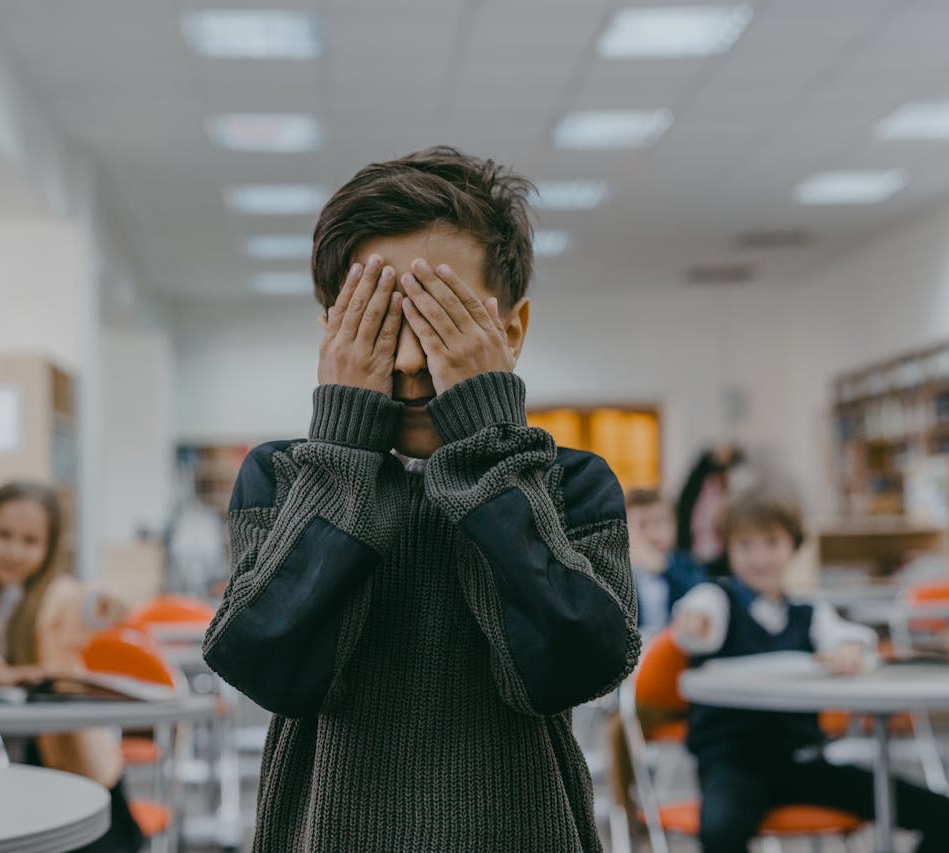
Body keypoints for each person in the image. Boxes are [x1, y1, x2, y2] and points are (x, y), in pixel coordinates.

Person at [202, 147, 641, 851]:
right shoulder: (285, 478)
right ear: (333, 336)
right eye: (380, 324)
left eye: (438, 322)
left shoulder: (571, 484)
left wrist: (490, 443)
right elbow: (269, 666)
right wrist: (344, 451)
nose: (409, 363)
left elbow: (574, 667)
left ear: (512, 331)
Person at [672, 484, 949, 853]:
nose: (759, 557)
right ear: (728, 549)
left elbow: (844, 637)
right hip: (733, 763)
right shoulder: (716, 599)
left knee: (940, 813)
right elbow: (698, 625)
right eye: (745, 545)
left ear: (793, 545)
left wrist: (847, 650)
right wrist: (694, 625)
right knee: (721, 830)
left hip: (802, 759)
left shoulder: (809, 612)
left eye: (771, 542)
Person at [0, 481, 143, 853]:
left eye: (30, 541)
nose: (13, 551)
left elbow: (81, 609)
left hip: (67, 761)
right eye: (3, 535)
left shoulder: (57, 597)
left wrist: (98, 604)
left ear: (49, 548)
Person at [626, 487, 708, 632]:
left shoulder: (685, 565)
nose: (653, 532)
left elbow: (702, 594)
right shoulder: (618, 570)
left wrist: (665, 568)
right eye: (642, 524)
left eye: (660, 522)